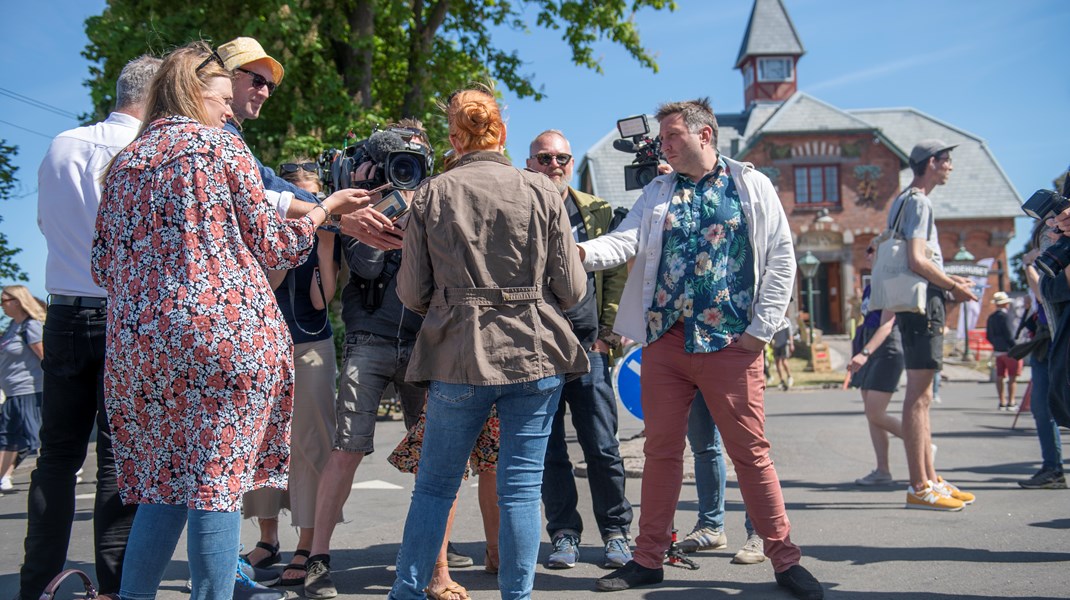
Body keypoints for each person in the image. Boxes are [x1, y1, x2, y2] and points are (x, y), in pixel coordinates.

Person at [89, 42, 368, 599]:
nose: (226, 111)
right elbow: (277, 245)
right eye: (221, 98)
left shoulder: (125, 163)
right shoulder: (219, 148)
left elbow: (101, 265)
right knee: (215, 487)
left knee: (163, 489)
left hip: (139, 348)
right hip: (225, 339)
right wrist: (325, 208)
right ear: (194, 93)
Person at [577, 98, 823, 599]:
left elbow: (781, 257)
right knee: (662, 452)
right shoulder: (659, 189)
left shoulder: (751, 184)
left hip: (730, 341)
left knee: (750, 454)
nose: (661, 146)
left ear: (704, 135)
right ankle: (648, 559)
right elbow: (624, 242)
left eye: (671, 137)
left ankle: (784, 558)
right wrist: (577, 250)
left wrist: (761, 332)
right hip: (666, 341)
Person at [387, 85, 588, 600]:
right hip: (534, 350)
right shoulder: (544, 190)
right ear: (501, 132)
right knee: (519, 488)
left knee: (436, 485)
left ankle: (407, 593)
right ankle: (516, 596)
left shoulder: (431, 193)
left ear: (454, 137)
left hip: (458, 352)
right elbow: (573, 288)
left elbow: (411, 292)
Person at [17, 54, 160, 600]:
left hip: (64, 310)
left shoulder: (61, 143)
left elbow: (45, 223)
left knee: (56, 456)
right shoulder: (140, 152)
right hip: (119, 310)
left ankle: (37, 583)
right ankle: (115, 586)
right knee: (116, 460)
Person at [302, 121, 439, 600]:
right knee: (348, 447)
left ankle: (436, 560)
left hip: (425, 343)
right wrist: (379, 208)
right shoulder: (356, 204)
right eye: (400, 161)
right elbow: (365, 266)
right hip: (370, 338)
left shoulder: (433, 201)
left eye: (416, 162)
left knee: (434, 455)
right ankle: (317, 557)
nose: (408, 171)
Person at [524, 129, 634, 570]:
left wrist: (607, 332)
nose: (555, 165)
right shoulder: (519, 205)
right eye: (545, 158)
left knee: (602, 445)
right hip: (536, 350)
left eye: (562, 158)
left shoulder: (596, 210)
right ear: (529, 163)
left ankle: (616, 533)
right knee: (550, 450)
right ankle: (564, 535)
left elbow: (617, 271)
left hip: (588, 348)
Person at [239, 159, 342, 588]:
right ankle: (268, 539)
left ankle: (309, 542)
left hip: (310, 343)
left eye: (314, 199)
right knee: (261, 444)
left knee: (311, 442)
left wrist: (321, 243)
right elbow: (271, 277)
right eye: (298, 201)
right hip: (264, 344)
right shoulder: (262, 228)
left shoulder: (327, 236)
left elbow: (322, 300)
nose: (309, 207)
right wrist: (290, 229)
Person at [885, 139, 978, 511]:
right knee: (919, 398)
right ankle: (920, 484)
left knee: (921, 397)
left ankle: (930, 477)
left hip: (914, 302)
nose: (951, 166)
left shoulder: (902, 199)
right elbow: (918, 259)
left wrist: (952, 281)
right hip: (924, 303)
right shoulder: (920, 202)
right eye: (947, 160)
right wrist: (955, 286)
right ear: (932, 163)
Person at [214, 37, 320, 222]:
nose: (265, 93)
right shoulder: (221, 133)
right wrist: (326, 207)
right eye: (258, 81)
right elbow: (263, 180)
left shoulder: (224, 131)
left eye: (270, 86)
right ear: (227, 76)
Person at [677, 395, 764, 565]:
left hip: (734, 370)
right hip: (690, 371)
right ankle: (710, 528)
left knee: (748, 449)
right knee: (703, 447)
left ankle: (760, 531)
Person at [847, 245, 905, 486]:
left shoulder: (891, 281)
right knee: (872, 415)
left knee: (875, 412)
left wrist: (865, 353)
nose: (867, 254)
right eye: (867, 250)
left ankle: (921, 444)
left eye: (873, 250)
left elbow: (887, 324)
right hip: (867, 343)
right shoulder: (871, 286)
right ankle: (883, 470)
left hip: (886, 348)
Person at [1019, 221, 1064, 489]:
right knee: (1041, 407)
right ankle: (1052, 468)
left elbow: (1042, 292)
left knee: (1050, 406)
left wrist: (1029, 266)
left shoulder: (1056, 264)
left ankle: (1053, 467)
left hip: (1058, 340)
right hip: (1044, 341)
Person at [0, 286, 46, 493]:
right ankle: (4, 477)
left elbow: (45, 358)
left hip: (30, 390)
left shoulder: (31, 326)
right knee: (8, 436)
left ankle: (65, 469)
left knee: (37, 436)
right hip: (13, 392)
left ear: (17, 301)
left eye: (4, 300)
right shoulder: (12, 326)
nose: (2, 305)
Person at [986, 291, 1021, 410]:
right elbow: (1009, 334)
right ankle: (1011, 401)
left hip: (998, 351)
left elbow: (989, 336)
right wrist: (1015, 346)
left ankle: (1002, 401)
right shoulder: (1006, 317)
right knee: (1012, 377)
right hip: (1009, 350)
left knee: (1000, 376)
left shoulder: (991, 318)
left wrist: (996, 344)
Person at [771, 325, 794, 390]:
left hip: (784, 343)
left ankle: (789, 377)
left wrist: (791, 344)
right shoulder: (775, 320)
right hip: (776, 344)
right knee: (777, 362)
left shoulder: (786, 321)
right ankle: (782, 380)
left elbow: (790, 334)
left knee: (784, 361)